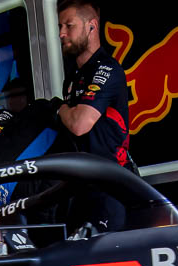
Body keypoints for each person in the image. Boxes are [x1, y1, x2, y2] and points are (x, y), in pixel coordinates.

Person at [54, 0, 135, 234]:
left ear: (91, 26)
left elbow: (79, 124)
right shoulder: (73, 77)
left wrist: (58, 109)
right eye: (60, 26)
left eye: (69, 25)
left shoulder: (107, 69)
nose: (61, 33)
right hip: (80, 185)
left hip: (110, 184)